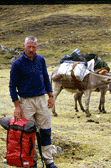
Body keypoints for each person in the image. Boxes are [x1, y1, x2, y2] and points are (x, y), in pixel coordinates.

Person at [9, 36, 57, 168]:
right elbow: (12, 86)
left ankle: (48, 161)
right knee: (28, 133)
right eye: (29, 46)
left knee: (45, 131)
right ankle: (31, 161)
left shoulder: (41, 60)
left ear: (36, 47)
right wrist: (17, 106)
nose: (31, 49)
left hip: (41, 100)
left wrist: (51, 96)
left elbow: (46, 78)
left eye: (34, 47)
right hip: (26, 102)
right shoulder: (17, 64)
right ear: (24, 46)